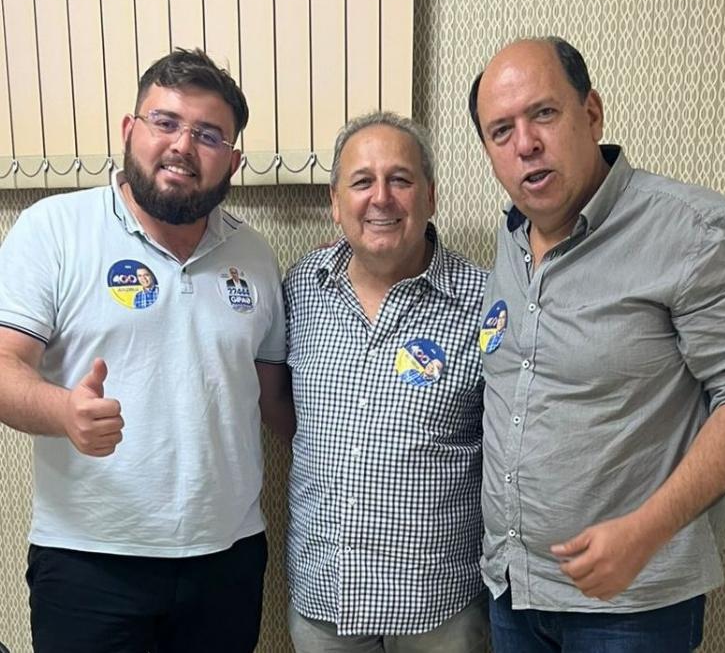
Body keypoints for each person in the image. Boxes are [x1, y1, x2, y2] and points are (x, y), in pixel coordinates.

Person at [468, 37, 725, 652]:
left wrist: (647, 530)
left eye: (544, 113)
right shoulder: (510, 240)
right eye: (501, 131)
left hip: (630, 605)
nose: (525, 144)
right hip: (514, 588)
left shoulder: (692, 229)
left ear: (591, 113)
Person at [0, 49, 293, 653]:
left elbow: (275, 402)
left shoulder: (256, 255)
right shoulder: (53, 229)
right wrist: (64, 412)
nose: (183, 145)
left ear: (233, 161)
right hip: (88, 560)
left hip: (227, 559)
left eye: (208, 135)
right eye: (166, 122)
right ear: (130, 130)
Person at [283, 111, 489, 652]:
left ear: (431, 196)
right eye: (361, 182)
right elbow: (282, 411)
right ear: (335, 202)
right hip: (324, 600)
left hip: (438, 606)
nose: (381, 198)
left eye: (400, 179)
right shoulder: (301, 288)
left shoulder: (485, 302)